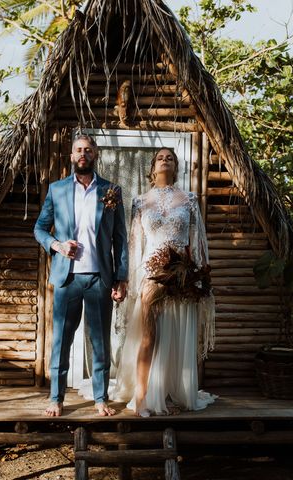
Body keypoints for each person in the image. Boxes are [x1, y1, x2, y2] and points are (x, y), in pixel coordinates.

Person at [113, 147, 216, 416]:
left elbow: (198, 242)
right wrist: (133, 280)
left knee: (176, 335)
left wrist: (199, 276)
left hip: (182, 276)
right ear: (152, 167)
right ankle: (143, 397)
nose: (165, 160)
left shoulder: (190, 200)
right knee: (150, 336)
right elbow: (135, 243)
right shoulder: (140, 202)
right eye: (160, 157)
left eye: (170, 157)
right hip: (151, 274)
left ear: (176, 166)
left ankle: (171, 393)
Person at [34, 135, 128, 417]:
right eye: (78, 150)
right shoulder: (57, 189)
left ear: (95, 154)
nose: (83, 154)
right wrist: (58, 245)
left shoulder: (111, 191)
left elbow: (120, 239)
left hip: (100, 277)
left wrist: (121, 277)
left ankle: (101, 399)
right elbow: (40, 229)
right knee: (61, 339)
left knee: (99, 341)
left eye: (88, 149)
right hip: (67, 278)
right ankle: (56, 398)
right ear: (71, 155)